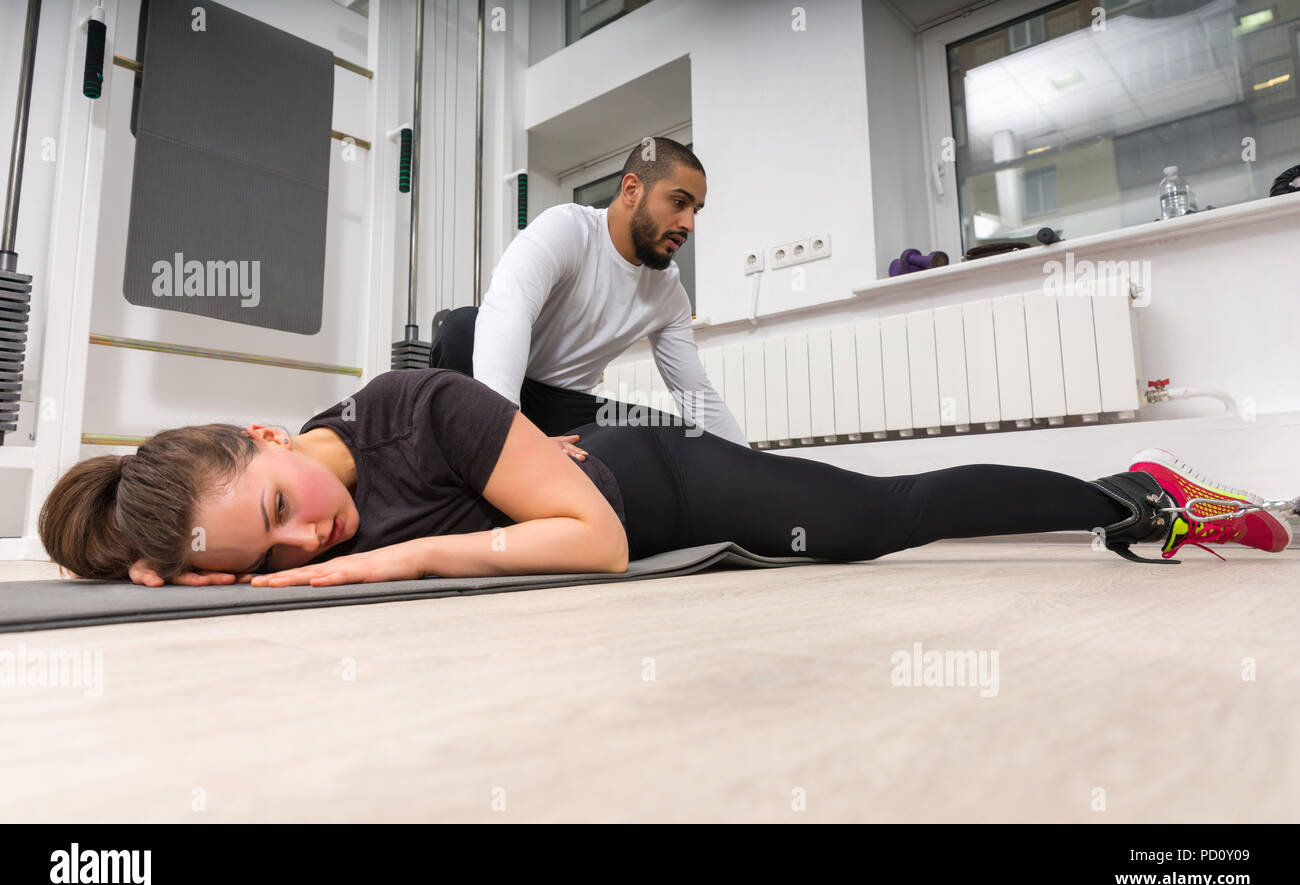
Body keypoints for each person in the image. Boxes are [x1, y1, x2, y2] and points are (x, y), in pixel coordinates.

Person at [38, 368, 1290, 588]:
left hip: (663, 489)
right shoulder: (252, 510)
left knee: (883, 517)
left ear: (266, 435)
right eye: (266, 558)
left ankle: (1139, 494)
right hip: (591, 493)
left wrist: (404, 555)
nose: (304, 546)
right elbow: (190, 543)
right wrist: (156, 557)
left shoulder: (417, 410)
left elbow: (589, 543)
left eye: (279, 514)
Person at [430, 136, 748, 459]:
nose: (689, 224)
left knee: (660, 432)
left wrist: (755, 468)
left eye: (696, 210)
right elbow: (508, 309)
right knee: (461, 328)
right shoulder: (567, 229)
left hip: (566, 409)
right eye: (679, 202)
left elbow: (697, 396)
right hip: (502, 391)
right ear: (632, 189)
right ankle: (476, 459)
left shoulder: (669, 295)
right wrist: (512, 437)